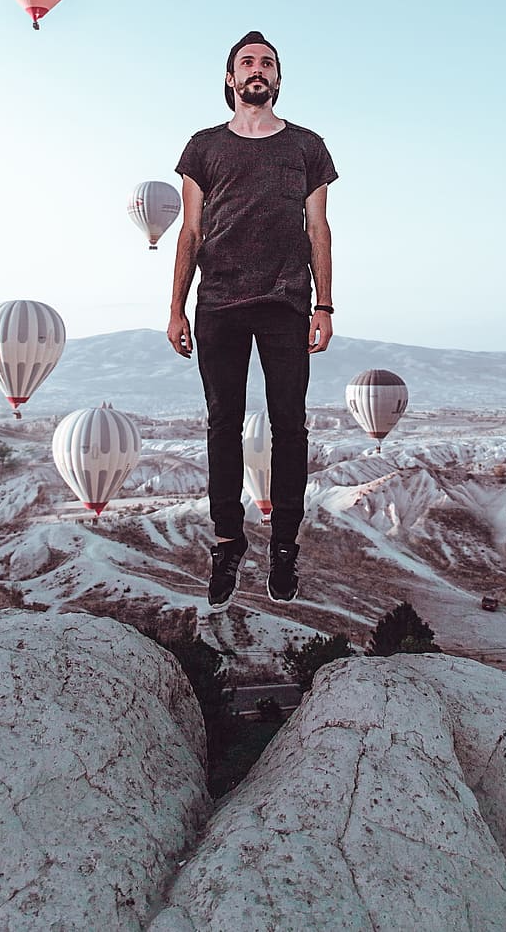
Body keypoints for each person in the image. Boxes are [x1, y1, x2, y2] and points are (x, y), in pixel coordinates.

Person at [168, 31, 337, 609]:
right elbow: (190, 232)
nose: (257, 70)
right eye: (247, 63)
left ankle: (284, 545)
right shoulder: (203, 147)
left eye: (267, 63)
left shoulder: (306, 146)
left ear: (278, 80)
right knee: (223, 425)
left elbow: (319, 229)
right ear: (230, 79)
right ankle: (227, 542)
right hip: (217, 303)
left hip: (288, 302)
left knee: (291, 425)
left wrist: (325, 304)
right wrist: (175, 309)